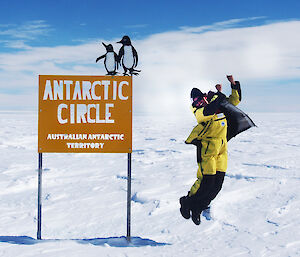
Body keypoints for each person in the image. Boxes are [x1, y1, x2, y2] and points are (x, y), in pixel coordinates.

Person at [179, 75, 245, 225]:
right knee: (206, 183)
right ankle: (187, 201)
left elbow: (234, 102)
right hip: (208, 151)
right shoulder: (199, 112)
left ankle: (198, 208)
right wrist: (217, 95)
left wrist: (233, 85)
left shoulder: (217, 104)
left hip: (221, 150)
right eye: (195, 101)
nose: (199, 102)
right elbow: (211, 109)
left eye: (200, 98)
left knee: (217, 185)